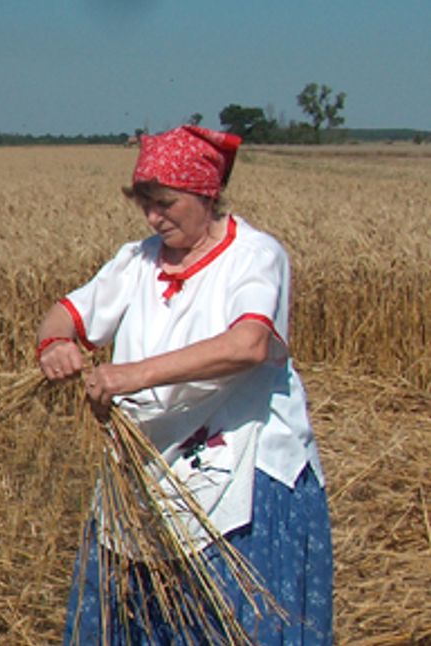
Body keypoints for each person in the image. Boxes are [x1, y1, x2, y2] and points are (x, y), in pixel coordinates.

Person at [35, 126, 332, 643]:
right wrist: (56, 344)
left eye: (165, 203)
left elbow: (249, 344)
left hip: (241, 465)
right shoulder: (137, 261)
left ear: (206, 193)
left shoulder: (256, 256)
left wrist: (132, 375)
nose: (154, 217)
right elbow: (63, 315)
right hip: (147, 466)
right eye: (146, 204)